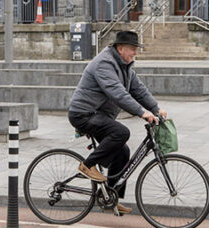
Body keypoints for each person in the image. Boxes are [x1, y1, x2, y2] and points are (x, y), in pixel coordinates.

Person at [67, 30, 167, 216]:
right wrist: (141, 113)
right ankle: (87, 165)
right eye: (132, 49)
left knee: (123, 152)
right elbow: (117, 92)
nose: (135, 53)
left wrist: (155, 108)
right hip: (83, 114)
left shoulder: (125, 65)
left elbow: (138, 89)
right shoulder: (104, 63)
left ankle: (110, 198)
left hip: (98, 114)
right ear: (120, 48)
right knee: (121, 132)